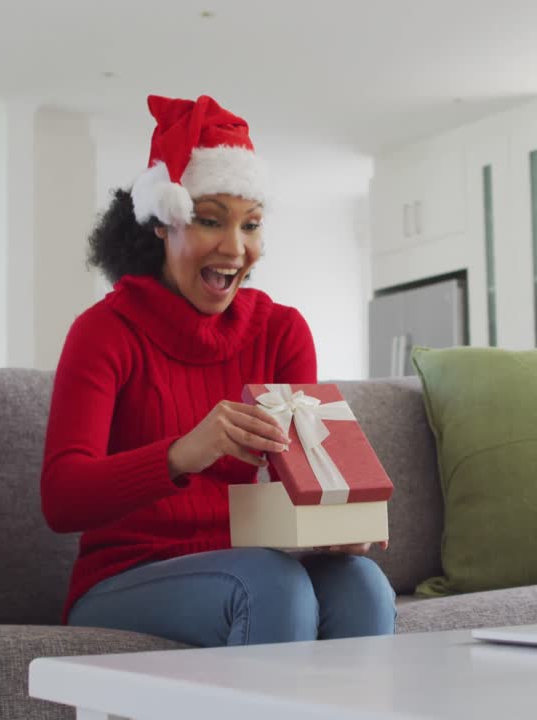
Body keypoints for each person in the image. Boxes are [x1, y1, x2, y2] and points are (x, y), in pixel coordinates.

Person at [40, 94, 396, 647]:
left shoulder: (282, 332)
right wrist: (186, 451)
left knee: (362, 586)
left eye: (251, 226)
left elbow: (297, 482)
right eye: (210, 221)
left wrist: (336, 528)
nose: (235, 248)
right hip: (125, 579)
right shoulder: (104, 332)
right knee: (269, 586)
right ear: (164, 223)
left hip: (251, 566)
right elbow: (62, 500)